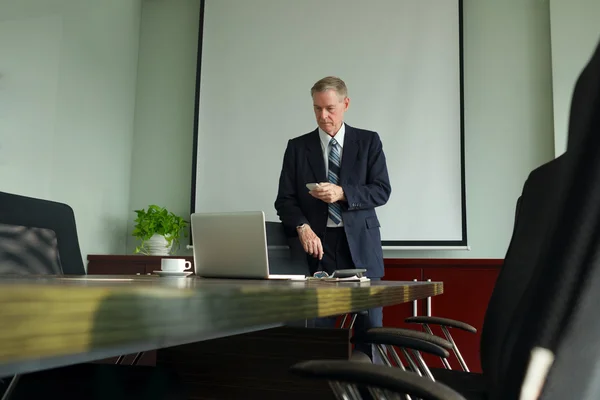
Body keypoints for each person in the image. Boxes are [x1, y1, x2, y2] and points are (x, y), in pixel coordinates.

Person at [274, 76, 392, 361]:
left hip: (361, 248)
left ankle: (369, 391)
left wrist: (342, 193)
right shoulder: (297, 147)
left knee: (370, 333)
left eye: (329, 108)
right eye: (317, 109)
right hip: (317, 250)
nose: (323, 116)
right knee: (316, 333)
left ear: (345, 104)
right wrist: (302, 227)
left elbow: (381, 191)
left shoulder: (368, 141)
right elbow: (285, 200)